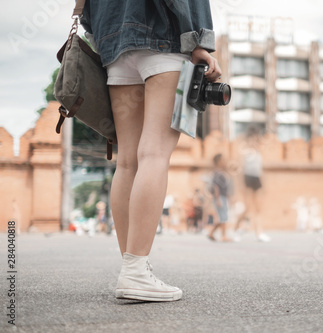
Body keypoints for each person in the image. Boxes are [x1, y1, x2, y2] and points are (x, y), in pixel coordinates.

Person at [81, 0, 222, 302]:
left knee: (128, 161)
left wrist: (100, 35)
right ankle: (135, 272)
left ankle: (133, 267)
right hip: (164, 39)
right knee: (154, 154)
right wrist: (198, 40)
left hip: (114, 46)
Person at [234, 126, 271, 242]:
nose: (256, 139)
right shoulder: (244, 149)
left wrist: (263, 184)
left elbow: (260, 169)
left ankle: (259, 233)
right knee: (247, 208)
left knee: (258, 208)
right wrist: (241, 185)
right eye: (254, 137)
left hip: (257, 179)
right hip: (248, 178)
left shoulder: (259, 150)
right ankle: (235, 229)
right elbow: (240, 168)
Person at [208, 154, 232, 242]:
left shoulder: (221, 172)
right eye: (223, 160)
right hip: (220, 197)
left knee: (223, 216)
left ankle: (211, 233)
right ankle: (224, 236)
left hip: (223, 197)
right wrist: (218, 199)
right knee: (223, 216)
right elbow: (216, 186)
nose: (225, 162)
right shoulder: (217, 173)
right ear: (218, 161)